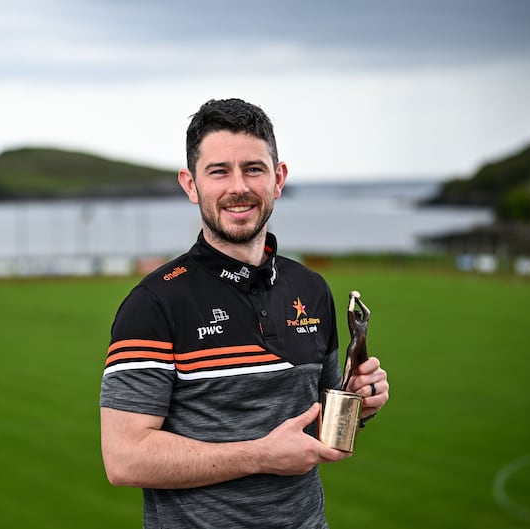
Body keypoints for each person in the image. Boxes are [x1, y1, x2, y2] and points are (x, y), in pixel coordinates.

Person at [99, 98, 390, 529]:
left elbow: (321, 423)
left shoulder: (311, 289)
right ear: (190, 184)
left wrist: (358, 404)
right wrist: (260, 456)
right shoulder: (154, 303)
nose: (238, 186)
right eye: (219, 171)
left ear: (279, 178)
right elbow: (124, 459)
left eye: (254, 168)